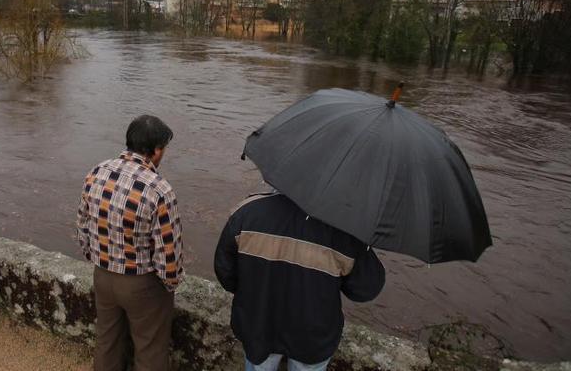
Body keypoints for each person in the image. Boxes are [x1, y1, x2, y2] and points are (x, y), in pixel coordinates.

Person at [214, 192, 385, 371]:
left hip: (258, 325)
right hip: (313, 336)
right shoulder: (348, 228)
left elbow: (225, 273)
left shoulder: (246, 211)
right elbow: (365, 290)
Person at [77, 115, 184, 371]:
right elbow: (168, 253)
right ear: (156, 150)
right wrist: (169, 285)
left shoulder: (97, 172)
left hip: (102, 275)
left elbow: (82, 227)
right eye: (164, 149)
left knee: (107, 341)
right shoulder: (159, 189)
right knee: (150, 350)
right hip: (141, 283)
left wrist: (97, 259)